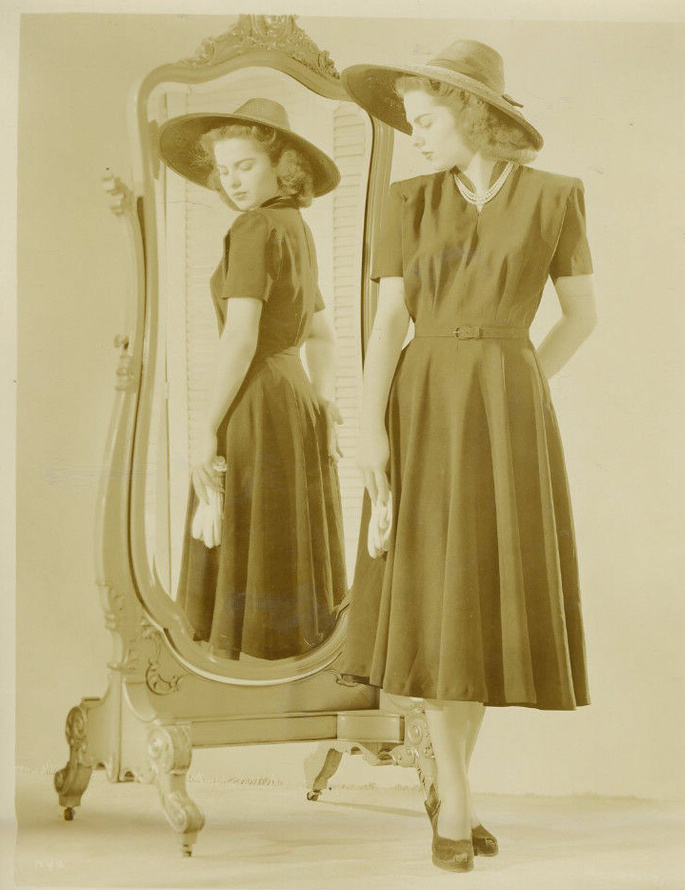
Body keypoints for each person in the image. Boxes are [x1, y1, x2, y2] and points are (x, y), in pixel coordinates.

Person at [339, 40, 597, 872]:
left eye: (425, 121)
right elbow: (388, 324)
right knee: (436, 603)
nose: (414, 136)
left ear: (475, 116)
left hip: (506, 417)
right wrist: (370, 428)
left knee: (475, 608)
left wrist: (518, 385)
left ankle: (452, 791)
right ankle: (454, 796)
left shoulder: (556, 197)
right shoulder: (408, 201)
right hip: (420, 407)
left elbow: (582, 317)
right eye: (410, 123)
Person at [158, 98, 347, 661]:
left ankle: (236, 677)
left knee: (245, 530)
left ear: (281, 166)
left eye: (245, 165)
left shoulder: (254, 227)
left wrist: (205, 428)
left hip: (257, 402)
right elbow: (322, 335)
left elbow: (240, 338)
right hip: (295, 402)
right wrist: (324, 401)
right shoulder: (296, 228)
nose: (233, 180)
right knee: (280, 541)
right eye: (224, 169)